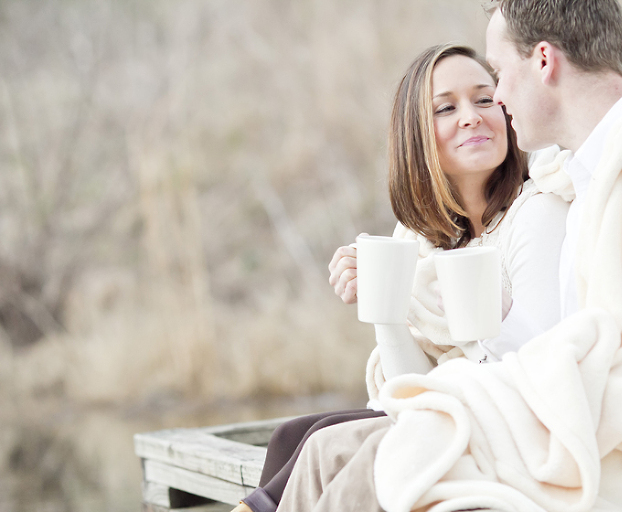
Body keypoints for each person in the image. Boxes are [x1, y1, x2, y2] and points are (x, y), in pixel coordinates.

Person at [276, 1, 622, 511]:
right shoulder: (596, 179)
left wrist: (481, 393)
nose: (498, 99)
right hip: (588, 426)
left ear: (544, 61)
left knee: (374, 460)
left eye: (498, 76)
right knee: (325, 450)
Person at [231, 43, 568, 512]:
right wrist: (385, 308)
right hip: (446, 412)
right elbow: (410, 388)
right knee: (293, 435)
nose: (470, 116)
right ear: (417, 136)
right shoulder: (417, 237)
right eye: (446, 107)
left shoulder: (539, 215)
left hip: (509, 425)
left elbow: (535, 368)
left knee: (325, 446)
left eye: (484, 98)